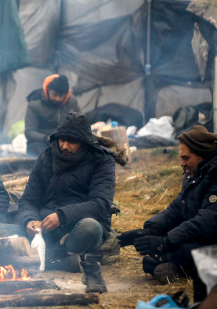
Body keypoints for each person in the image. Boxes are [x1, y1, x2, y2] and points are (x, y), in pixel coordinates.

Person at [17, 112, 128, 293]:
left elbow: (101, 204)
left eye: (72, 141)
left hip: (77, 226)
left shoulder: (101, 159)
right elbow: (29, 199)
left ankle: (53, 256)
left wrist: (62, 216)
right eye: (62, 140)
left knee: (90, 228)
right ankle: (63, 259)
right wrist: (29, 220)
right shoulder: (46, 157)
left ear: (84, 141)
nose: (64, 146)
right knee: (1, 229)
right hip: (45, 227)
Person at [118, 126, 217, 302]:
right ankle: (171, 264)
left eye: (186, 158)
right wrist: (149, 230)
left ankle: (175, 266)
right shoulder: (194, 173)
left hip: (211, 241)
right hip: (201, 235)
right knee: (152, 260)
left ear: (202, 155)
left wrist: (164, 243)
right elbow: (177, 208)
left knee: (188, 250)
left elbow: (206, 222)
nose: (182, 163)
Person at [25, 74, 79, 157]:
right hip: (42, 143)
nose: (58, 98)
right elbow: (29, 132)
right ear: (48, 91)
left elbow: (79, 123)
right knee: (43, 154)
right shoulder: (35, 105)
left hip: (66, 142)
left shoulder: (71, 102)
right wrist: (47, 138)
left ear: (66, 94)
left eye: (61, 96)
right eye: (54, 94)